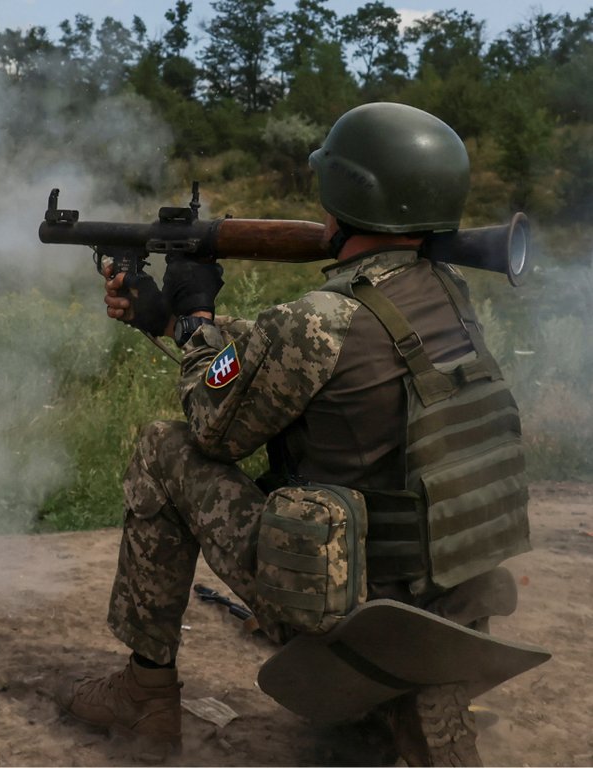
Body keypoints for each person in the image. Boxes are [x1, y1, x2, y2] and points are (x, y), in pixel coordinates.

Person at [54, 101, 531, 766]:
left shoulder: (320, 321)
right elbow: (298, 363)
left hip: (352, 601)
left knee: (163, 449)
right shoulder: (448, 293)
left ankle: (145, 693)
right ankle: (397, 696)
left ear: (346, 194)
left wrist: (193, 317)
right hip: (445, 595)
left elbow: (213, 427)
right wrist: (174, 324)